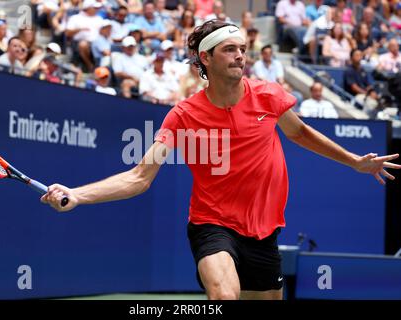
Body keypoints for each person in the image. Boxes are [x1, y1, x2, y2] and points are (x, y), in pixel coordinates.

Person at [41, 20, 401, 300]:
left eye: (242, 49)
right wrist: (79, 194)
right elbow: (139, 176)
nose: (240, 56)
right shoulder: (182, 115)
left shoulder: (268, 95)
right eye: (229, 50)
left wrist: (354, 161)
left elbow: (300, 133)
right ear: (206, 59)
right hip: (212, 225)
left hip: (264, 231)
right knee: (223, 295)